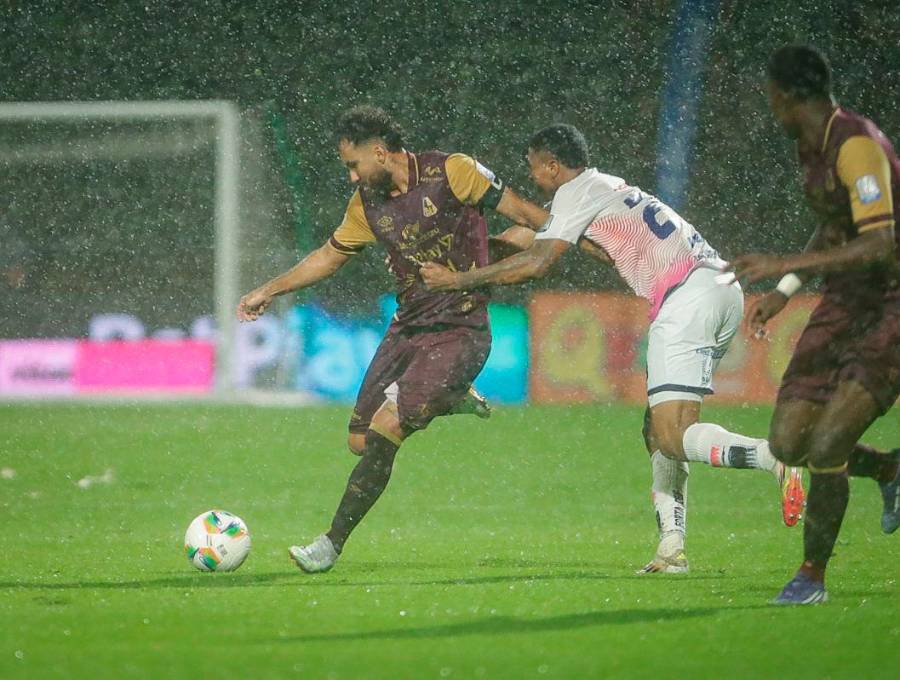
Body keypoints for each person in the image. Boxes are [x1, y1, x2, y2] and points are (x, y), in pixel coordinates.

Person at [421, 123, 805, 574]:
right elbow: (530, 232)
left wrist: (457, 280)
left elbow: (538, 261)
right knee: (657, 429)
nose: (535, 179)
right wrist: (463, 247)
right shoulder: (601, 188)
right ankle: (671, 549)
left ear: (552, 164)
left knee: (673, 435)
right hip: (719, 288)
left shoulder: (577, 194)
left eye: (536, 170)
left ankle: (772, 457)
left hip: (687, 296)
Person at [237, 105, 548, 573]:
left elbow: (527, 216)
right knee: (360, 441)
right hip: (408, 326)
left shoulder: (453, 172)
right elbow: (328, 256)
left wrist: (582, 236)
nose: (350, 176)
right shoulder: (366, 203)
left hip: (461, 329)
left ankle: (329, 544)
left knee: (386, 433)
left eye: (353, 164)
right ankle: (450, 396)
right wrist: (269, 288)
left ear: (380, 152)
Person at [730, 45, 899, 605]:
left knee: (828, 445)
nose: (770, 108)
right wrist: (784, 291)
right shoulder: (814, 146)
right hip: (845, 301)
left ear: (784, 96)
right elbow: (834, 231)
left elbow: (879, 243)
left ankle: (811, 576)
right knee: (788, 441)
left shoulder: (855, 145)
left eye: (770, 97)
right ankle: (891, 469)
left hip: (892, 305)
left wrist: (786, 264)